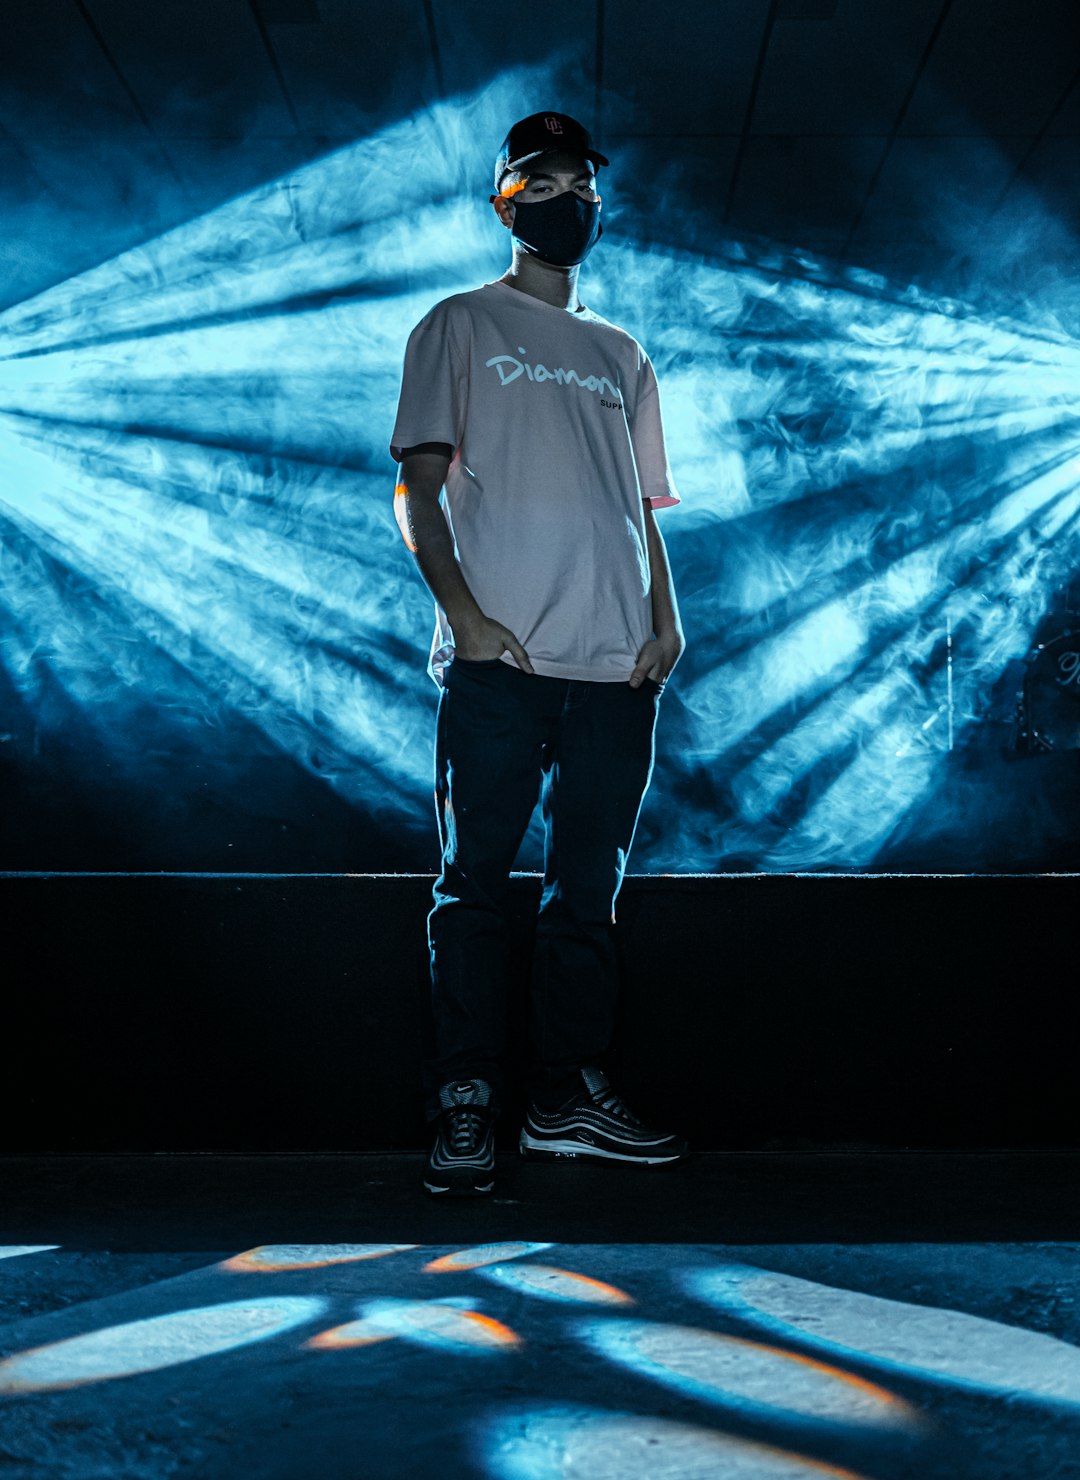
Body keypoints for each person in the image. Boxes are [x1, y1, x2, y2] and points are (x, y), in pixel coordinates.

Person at [389, 111, 688, 1197]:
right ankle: (467, 1100)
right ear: (504, 199)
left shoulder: (622, 353)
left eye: (582, 183)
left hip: (619, 672)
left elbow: (641, 506)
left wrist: (668, 616)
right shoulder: (458, 325)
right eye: (541, 179)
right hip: (500, 668)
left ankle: (564, 1101)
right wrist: (463, 614)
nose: (568, 197)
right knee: (473, 887)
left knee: (586, 893)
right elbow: (415, 489)